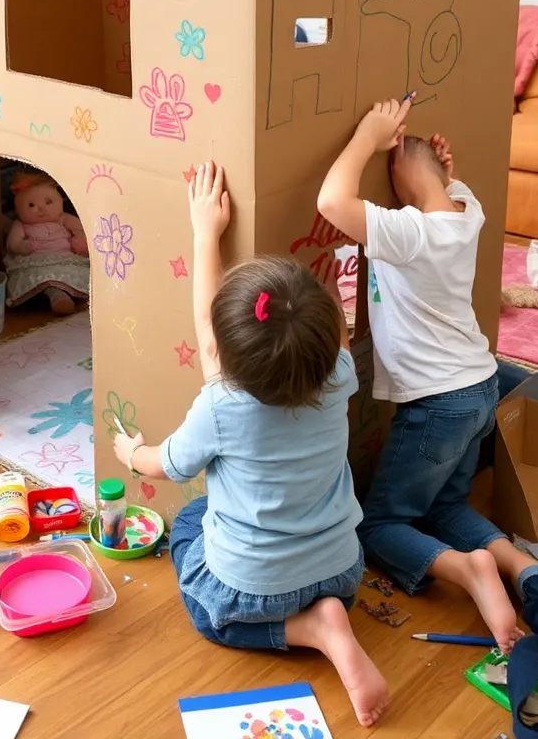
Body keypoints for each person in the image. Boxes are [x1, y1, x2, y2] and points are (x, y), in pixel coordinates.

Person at [112, 161, 388, 729]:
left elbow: (165, 463)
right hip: (341, 569)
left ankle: (312, 631)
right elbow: (332, 323)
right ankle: (329, 616)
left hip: (252, 591)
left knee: (189, 530)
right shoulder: (339, 373)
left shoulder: (221, 405)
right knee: (214, 513)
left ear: (225, 356)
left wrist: (128, 451)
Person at [318, 97, 538, 652]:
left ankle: (472, 573)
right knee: (445, 507)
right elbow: (445, 186)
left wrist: (369, 137)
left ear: (398, 181)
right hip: (480, 386)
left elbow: (331, 201)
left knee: (375, 524)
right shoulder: (468, 211)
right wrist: (439, 170)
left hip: (439, 405)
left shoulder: (410, 233)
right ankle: (524, 570)